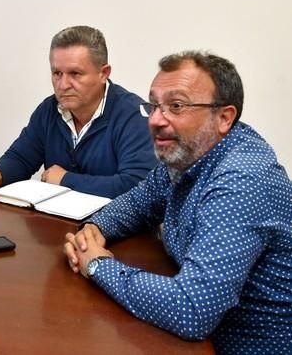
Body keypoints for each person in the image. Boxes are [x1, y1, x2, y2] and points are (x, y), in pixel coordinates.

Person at [64, 52, 292, 353]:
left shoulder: (243, 181)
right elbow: (137, 204)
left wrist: (98, 265)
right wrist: (95, 229)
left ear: (224, 117)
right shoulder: (189, 154)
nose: (156, 120)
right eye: (154, 105)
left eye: (176, 106)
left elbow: (192, 310)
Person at [0, 25, 156, 199]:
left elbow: (138, 187)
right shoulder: (49, 109)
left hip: (117, 229)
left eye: (75, 74)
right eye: (57, 73)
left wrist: (65, 180)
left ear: (103, 73)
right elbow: (21, 157)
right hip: (58, 223)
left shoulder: (134, 115)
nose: (63, 85)